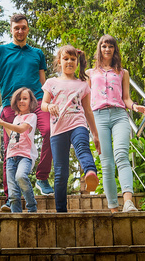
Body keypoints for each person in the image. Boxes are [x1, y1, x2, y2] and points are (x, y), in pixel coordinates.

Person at [0, 14, 53, 212]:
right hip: (11, 105)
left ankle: (41, 177)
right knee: (11, 151)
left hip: (37, 101)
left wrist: (51, 98)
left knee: (49, 131)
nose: (20, 31)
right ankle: (10, 198)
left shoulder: (37, 53)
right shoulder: (0, 50)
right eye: (16, 28)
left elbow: (43, 81)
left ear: (27, 29)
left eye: (23, 27)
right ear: (11, 30)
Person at [87, 35, 145, 213]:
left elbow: (126, 98)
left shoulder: (123, 72)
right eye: (104, 46)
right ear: (99, 49)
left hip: (119, 114)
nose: (107, 49)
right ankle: (113, 207)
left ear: (115, 49)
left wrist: (135, 106)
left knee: (121, 155)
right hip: (98, 116)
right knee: (106, 163)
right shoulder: (90, 73)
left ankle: (128, 202)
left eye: (110, 46)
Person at [41, 45, 101, 212]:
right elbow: (43, 104)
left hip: (78, 124)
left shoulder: (82, 84)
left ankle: (90, 172)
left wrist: (95, 135)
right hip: (58, 129)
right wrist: (50, 106)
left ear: (77, 62)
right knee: (61, 173)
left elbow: (88, 110)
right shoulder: (51, 82)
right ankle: (61, 211)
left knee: (82, 147)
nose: (69, 62)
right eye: (65, 59)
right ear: (59, 62)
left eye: (73, 59)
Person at [0, 87, 38, 213]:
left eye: (25, 98)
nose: (21, 101)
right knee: (13, 192)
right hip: (11, 156)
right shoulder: (16, 118)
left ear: (31, 101)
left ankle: (32, 207)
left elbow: (21, 129)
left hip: (25, 156)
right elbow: (13, 133)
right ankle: (16, 215)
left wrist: (3, 122)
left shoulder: (31, 116)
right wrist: (2, 124)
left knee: (21, 176)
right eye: (19, 99)